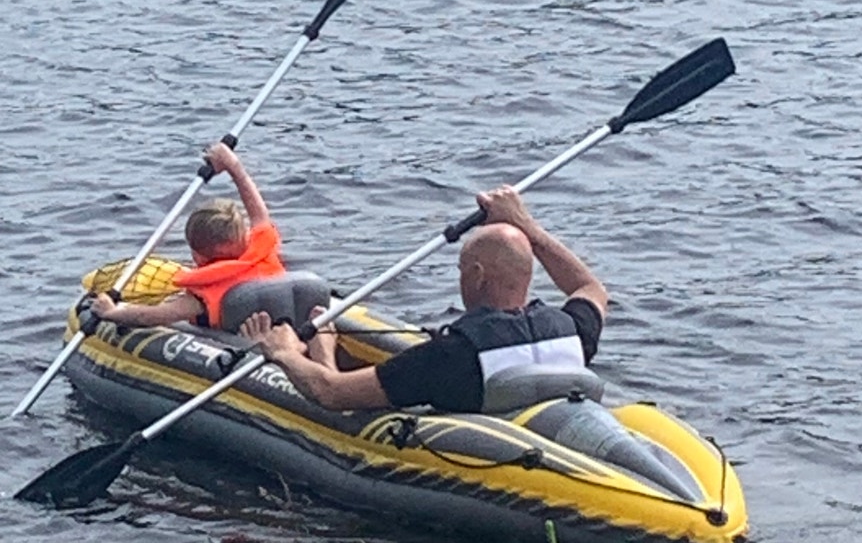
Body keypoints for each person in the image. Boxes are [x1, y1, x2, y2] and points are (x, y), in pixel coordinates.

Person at [243, 184, 607, 413]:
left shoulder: (452, 356)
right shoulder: (570, 332)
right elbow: (591, 289)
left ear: (477, 275)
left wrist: (283, 351)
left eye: (463, 270)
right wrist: (529, 229)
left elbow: (331, 394)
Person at [87, 142, 291, 332]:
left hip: (246, 343)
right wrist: (233, 166)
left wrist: (111, 312)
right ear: (244, 235)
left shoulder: (204, 293)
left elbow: (154, 316)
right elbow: (258, 211)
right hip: (288, 325)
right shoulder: (262, 250)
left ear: (198, 256)